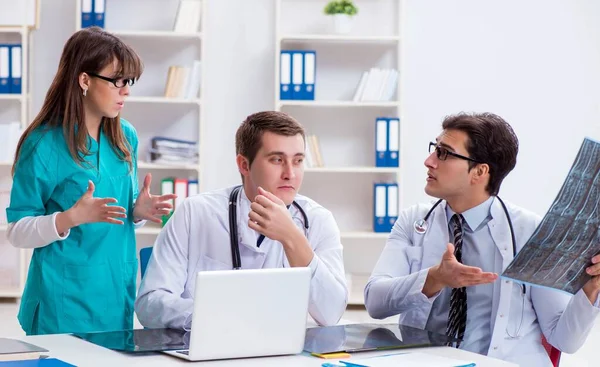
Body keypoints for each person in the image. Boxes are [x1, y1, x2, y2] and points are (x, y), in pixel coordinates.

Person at [364, 112, 600, 366]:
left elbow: (563, 339)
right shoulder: (414, 222)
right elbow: (375, 303)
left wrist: (590, 290)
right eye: (434, 149)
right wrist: (434, 278)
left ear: (479, 171)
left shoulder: (530, 231)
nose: (429, 161)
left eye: (444, 153)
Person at [6, 27, 176, 335]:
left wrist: (137, 212)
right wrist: (69, 218)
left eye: (129, 82)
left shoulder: (127, 137)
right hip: (63, 300)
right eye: (117, 81)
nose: (126, 91)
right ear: (85, 80)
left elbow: (117, 215)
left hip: (115, 293)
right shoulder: (43, 144)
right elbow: (17, 232)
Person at [135, 111, 348, 328]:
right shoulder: (195, 213)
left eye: (298, 161)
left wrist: (292, 238)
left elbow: (331, 314)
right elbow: (150, 303)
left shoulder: (318, 220)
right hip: (207, 349)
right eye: (277, 159)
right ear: (244, 165)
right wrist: (217, 318)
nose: (290, 173)